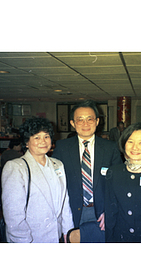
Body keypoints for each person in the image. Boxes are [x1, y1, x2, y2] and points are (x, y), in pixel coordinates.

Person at [53, 100, 122, 242]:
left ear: (97, 121)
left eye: (90, 119)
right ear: (73, 123)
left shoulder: (110, 147)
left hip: (102, 212)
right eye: (80, 120)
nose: (85, 124)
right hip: (70, 211)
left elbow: (118, 182)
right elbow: (55, 182)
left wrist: (111, 210)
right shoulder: (62, 147)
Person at [1, 117, 74, 243]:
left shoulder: (58, 165)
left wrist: (68, 232)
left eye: (46, 136)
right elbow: (13, 215)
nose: (43, 141)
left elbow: (64, 203)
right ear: (26, 142)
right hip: (32, 238)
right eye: (36, 137)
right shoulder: (16, 167)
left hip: (56, 236)